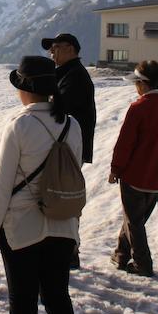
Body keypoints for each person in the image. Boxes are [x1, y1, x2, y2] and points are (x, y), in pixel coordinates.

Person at [0, 55, 82, 314]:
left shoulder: (19, 126)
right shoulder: (72, 124)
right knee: (57, 296)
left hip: (22, 225)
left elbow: (2, 184)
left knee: (23, 298)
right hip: (62, 222)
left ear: (24, 88)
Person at [108, 60, 158, 277]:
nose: (135, 87)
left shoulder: (138, 108)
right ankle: (121, 254)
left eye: (136, 82)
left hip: (135, 175)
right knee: (134, 218)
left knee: (133, 221)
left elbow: (125, 143)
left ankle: (142, 264)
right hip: (157, 176)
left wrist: (115, 169)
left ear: (143, 83)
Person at [41, 32, 96, 269]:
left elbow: (59, 114)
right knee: (63, 199)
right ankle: (65, 249)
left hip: (68, 151)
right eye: (50, 49)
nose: (52, 53)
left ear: (71, 49)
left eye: (56, 48)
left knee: (64, 201)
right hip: (67, 149)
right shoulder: (68, 74)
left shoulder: (74, 77)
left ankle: (68, 251)